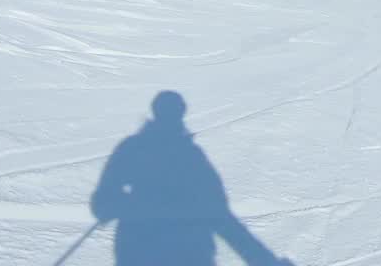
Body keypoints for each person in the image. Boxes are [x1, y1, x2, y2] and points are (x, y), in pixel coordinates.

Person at [90, 91, 293, 266]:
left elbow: (102, 203)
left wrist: (119, 204)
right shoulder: (192, 158)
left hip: (138, 251)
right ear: (181, 113)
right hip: (188, 252)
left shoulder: (132, 149)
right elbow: (222, 217)